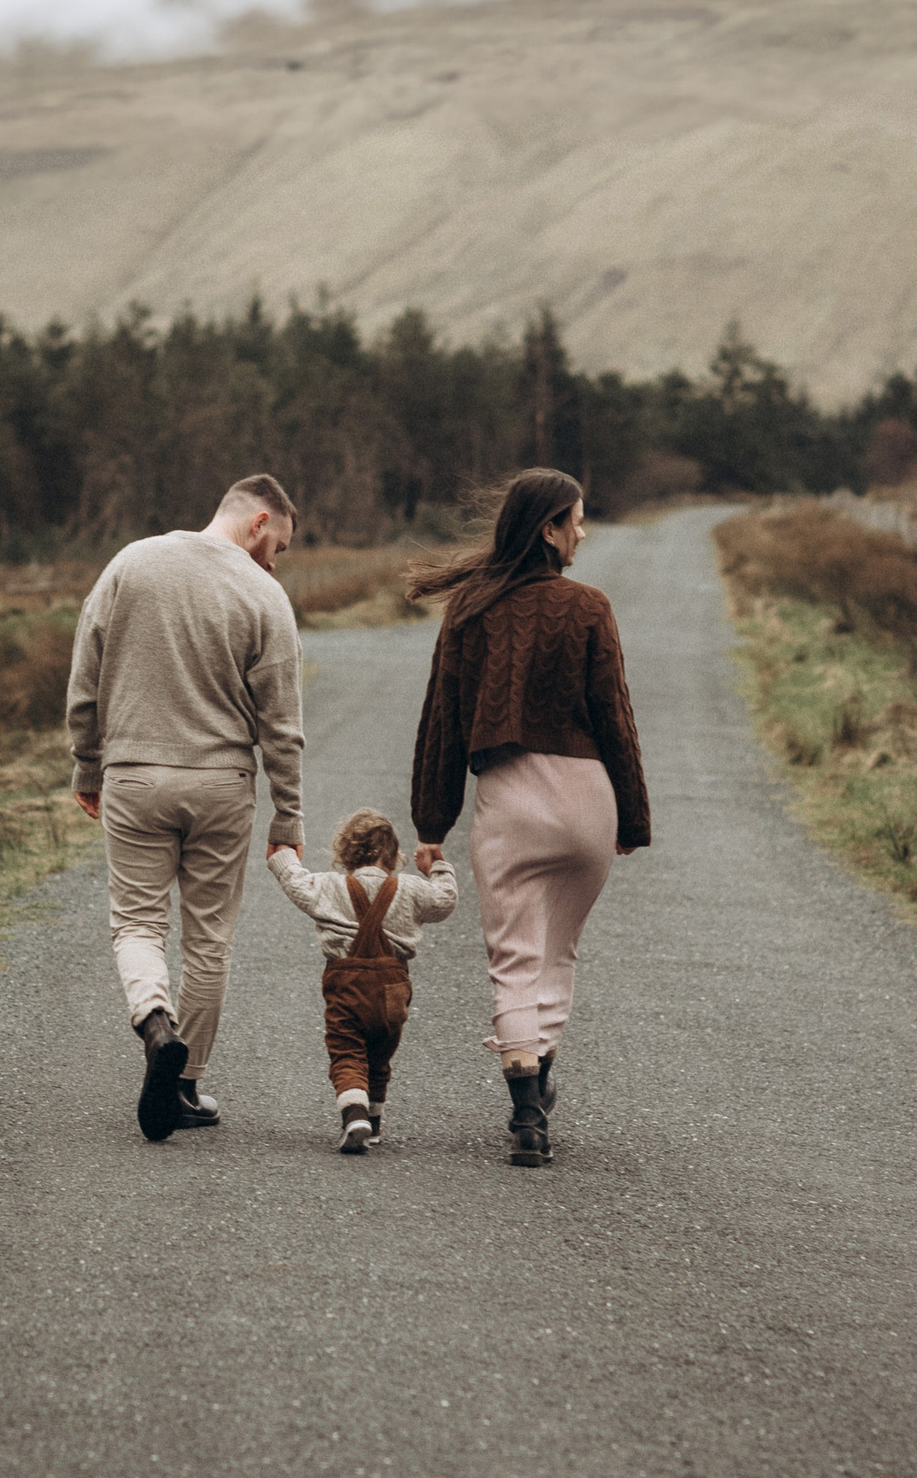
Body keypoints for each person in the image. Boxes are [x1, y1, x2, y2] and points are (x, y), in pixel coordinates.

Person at [408, 468, 648, 1166]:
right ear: (547, 528)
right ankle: (542, 1076)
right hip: (586, 806)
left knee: (514, 959)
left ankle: (525, 1112)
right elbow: (616, 721)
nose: (583, 531)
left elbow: (442, 723)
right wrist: (630, 818)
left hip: (509, 803)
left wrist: (431, 822)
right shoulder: (590, 607)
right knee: (557, 953)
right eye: (575, 519)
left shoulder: (470, 610)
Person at [67, 474, 305, 1141]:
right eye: (277, 545)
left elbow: (85, 676)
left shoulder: (131, 563)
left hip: (135, 777)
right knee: (209, 941)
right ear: (258, 521)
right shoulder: (264, 594)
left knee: (137, 923)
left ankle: (154, 1023)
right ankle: (184, 1084)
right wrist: (289, 818)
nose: (274, 560)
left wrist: (88, 763)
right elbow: (282, 725)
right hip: (223, 783)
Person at [267, 809, 459, 1154]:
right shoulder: (411, 889)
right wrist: (438, 869)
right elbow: (445, 901)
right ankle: (374, 1123)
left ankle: (355, 1115)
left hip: (346, 985)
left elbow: (295, 882)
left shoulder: (329, 886)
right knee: (380, 1055)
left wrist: (283, 854)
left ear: (345, 854)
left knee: (347, 1051)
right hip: (393, 988)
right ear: (395, 857)